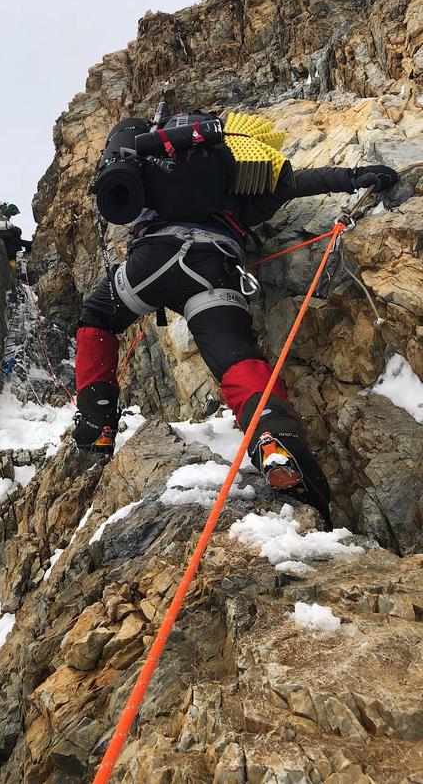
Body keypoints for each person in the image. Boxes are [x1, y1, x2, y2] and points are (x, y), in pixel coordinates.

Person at [72, 109, 399, 529]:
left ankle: (97, 419)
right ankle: (274, 437)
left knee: (97, 317)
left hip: (152, 262)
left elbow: (121, 201)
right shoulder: (240, 174)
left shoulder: (150, 166)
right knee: (235, 356)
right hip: (214, 266)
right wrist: (355, 176)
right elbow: (298, 183)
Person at [0, 202, 32, 270]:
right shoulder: (11, 231)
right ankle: (13, 268)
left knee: (12, 251)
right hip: (9, 240)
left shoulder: (2, 220)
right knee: (13, 251)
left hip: (5, 239)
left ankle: (13, 268)